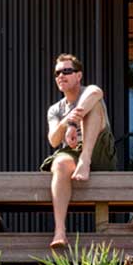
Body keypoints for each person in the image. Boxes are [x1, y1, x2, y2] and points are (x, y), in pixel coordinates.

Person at [41, 54, 115, 249]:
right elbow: (54, 140)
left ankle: (85, 160)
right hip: (74, 151)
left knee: (94, 106)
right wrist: (67, 121)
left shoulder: (89, 91)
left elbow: (97, 91)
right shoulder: (55, 109)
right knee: (59, 163)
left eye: (67, 71)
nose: (61, 76)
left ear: (79, 75)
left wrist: (75, 121)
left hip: (99, 150)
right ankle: (59, 231)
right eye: (57, 73)